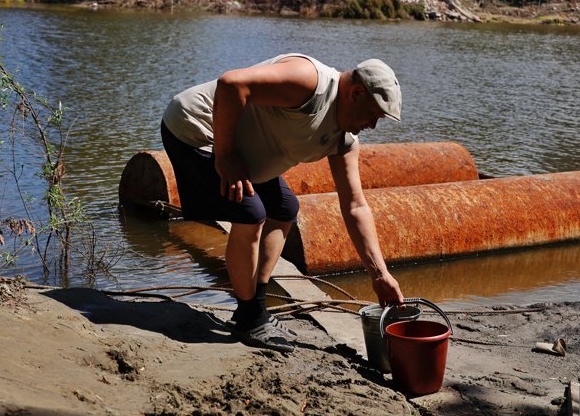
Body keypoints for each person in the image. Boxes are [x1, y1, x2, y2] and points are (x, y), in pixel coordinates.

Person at [161, 53, 404, 352]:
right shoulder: (309, 81)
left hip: (242, 154)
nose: (373, 126)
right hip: (196, 131)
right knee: (250, 213)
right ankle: (250, 318)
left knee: (284, 208)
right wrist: (224, 155)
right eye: (374, 115)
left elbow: (355, 205)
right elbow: (231, 84)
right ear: (356, 93)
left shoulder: (344, 141)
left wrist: (379, 275)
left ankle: (253, 308)